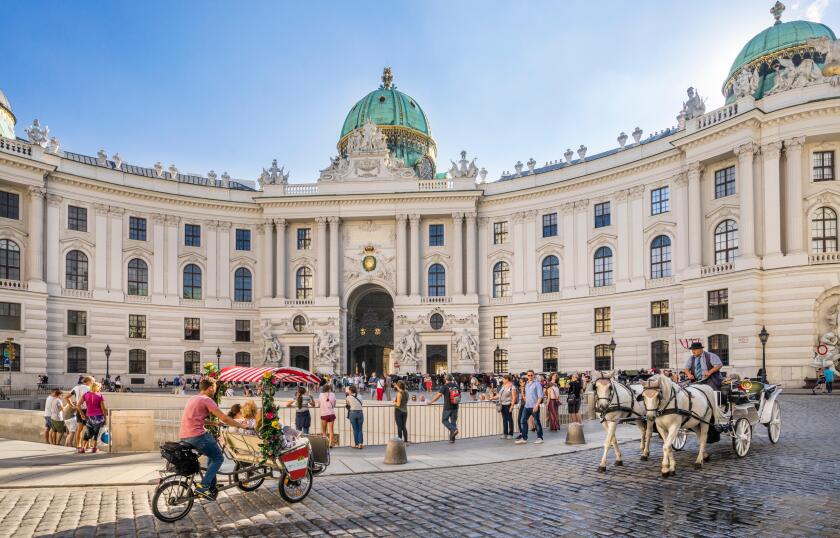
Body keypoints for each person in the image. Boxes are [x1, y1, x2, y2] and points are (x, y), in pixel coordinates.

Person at [179, 378, 244, 500]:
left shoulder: (193, 398)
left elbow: (198, 419)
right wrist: (241, 425)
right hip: (197, 436)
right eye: (214, 388)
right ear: (210, 388)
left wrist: (214, 424)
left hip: (185, 436)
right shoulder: (207, 400)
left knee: (211, 454)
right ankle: (203, 486)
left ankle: (211, 485)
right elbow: (224, 418)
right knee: (219, 458)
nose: (214, 391)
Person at [426, 373, 460, 442]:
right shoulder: (456, 386)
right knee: (453, 422)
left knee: (444, 420)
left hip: (448, 407)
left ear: (446, 379)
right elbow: (459, 396)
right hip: (455, 406)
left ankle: (454, 430)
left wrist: (431, 402)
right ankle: (452, 439)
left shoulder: (445, 386)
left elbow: (438, 396)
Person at [515, 370, 544, 444]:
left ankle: (540, 438)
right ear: (527, 376)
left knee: (537, 422)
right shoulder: (527, 384)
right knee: (522, 420)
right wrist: (522, 392)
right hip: (527, 406)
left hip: (534, 406)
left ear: (534, 375)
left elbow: (540, 396)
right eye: (529, 375)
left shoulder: (537, 384)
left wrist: (537, 405)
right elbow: (526, 396)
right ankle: (524, 438)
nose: (530, 376)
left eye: (531, 375)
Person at [65, 376, 93, 452]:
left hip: (79, 409)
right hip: (88, 410)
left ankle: (78, 446)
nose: (92, 383)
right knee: (88, 428)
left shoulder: (76, 388)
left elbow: (66, 397)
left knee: (79, 429)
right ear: (88, 381)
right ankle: (87, 446)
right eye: (92, 382)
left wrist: (72, 406)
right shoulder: (89, 389)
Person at [80, 383, 108, 453]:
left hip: (89, 416)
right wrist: (106, 418)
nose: (100, 389)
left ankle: (83, 448)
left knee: (88, 432)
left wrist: (81, 413)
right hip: (98, 417)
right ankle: (94, 448)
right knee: (96, 433)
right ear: (97, 387)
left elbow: (78, 404)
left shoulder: (86, 394)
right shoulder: (100, 395)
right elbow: (103, 408)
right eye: (100, 387)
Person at [491, 374, 516, 439]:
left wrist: (512, 406)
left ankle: (510, 434)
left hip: (508, 404)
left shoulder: (512, 387)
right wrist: (492, 398)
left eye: (503, 379)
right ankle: (505, 433)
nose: (502, 380)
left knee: (509, 419)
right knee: (504, 419)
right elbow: (499, 395)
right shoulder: (503, 386)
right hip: (502, 404)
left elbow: (514, 397)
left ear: (507, 379)